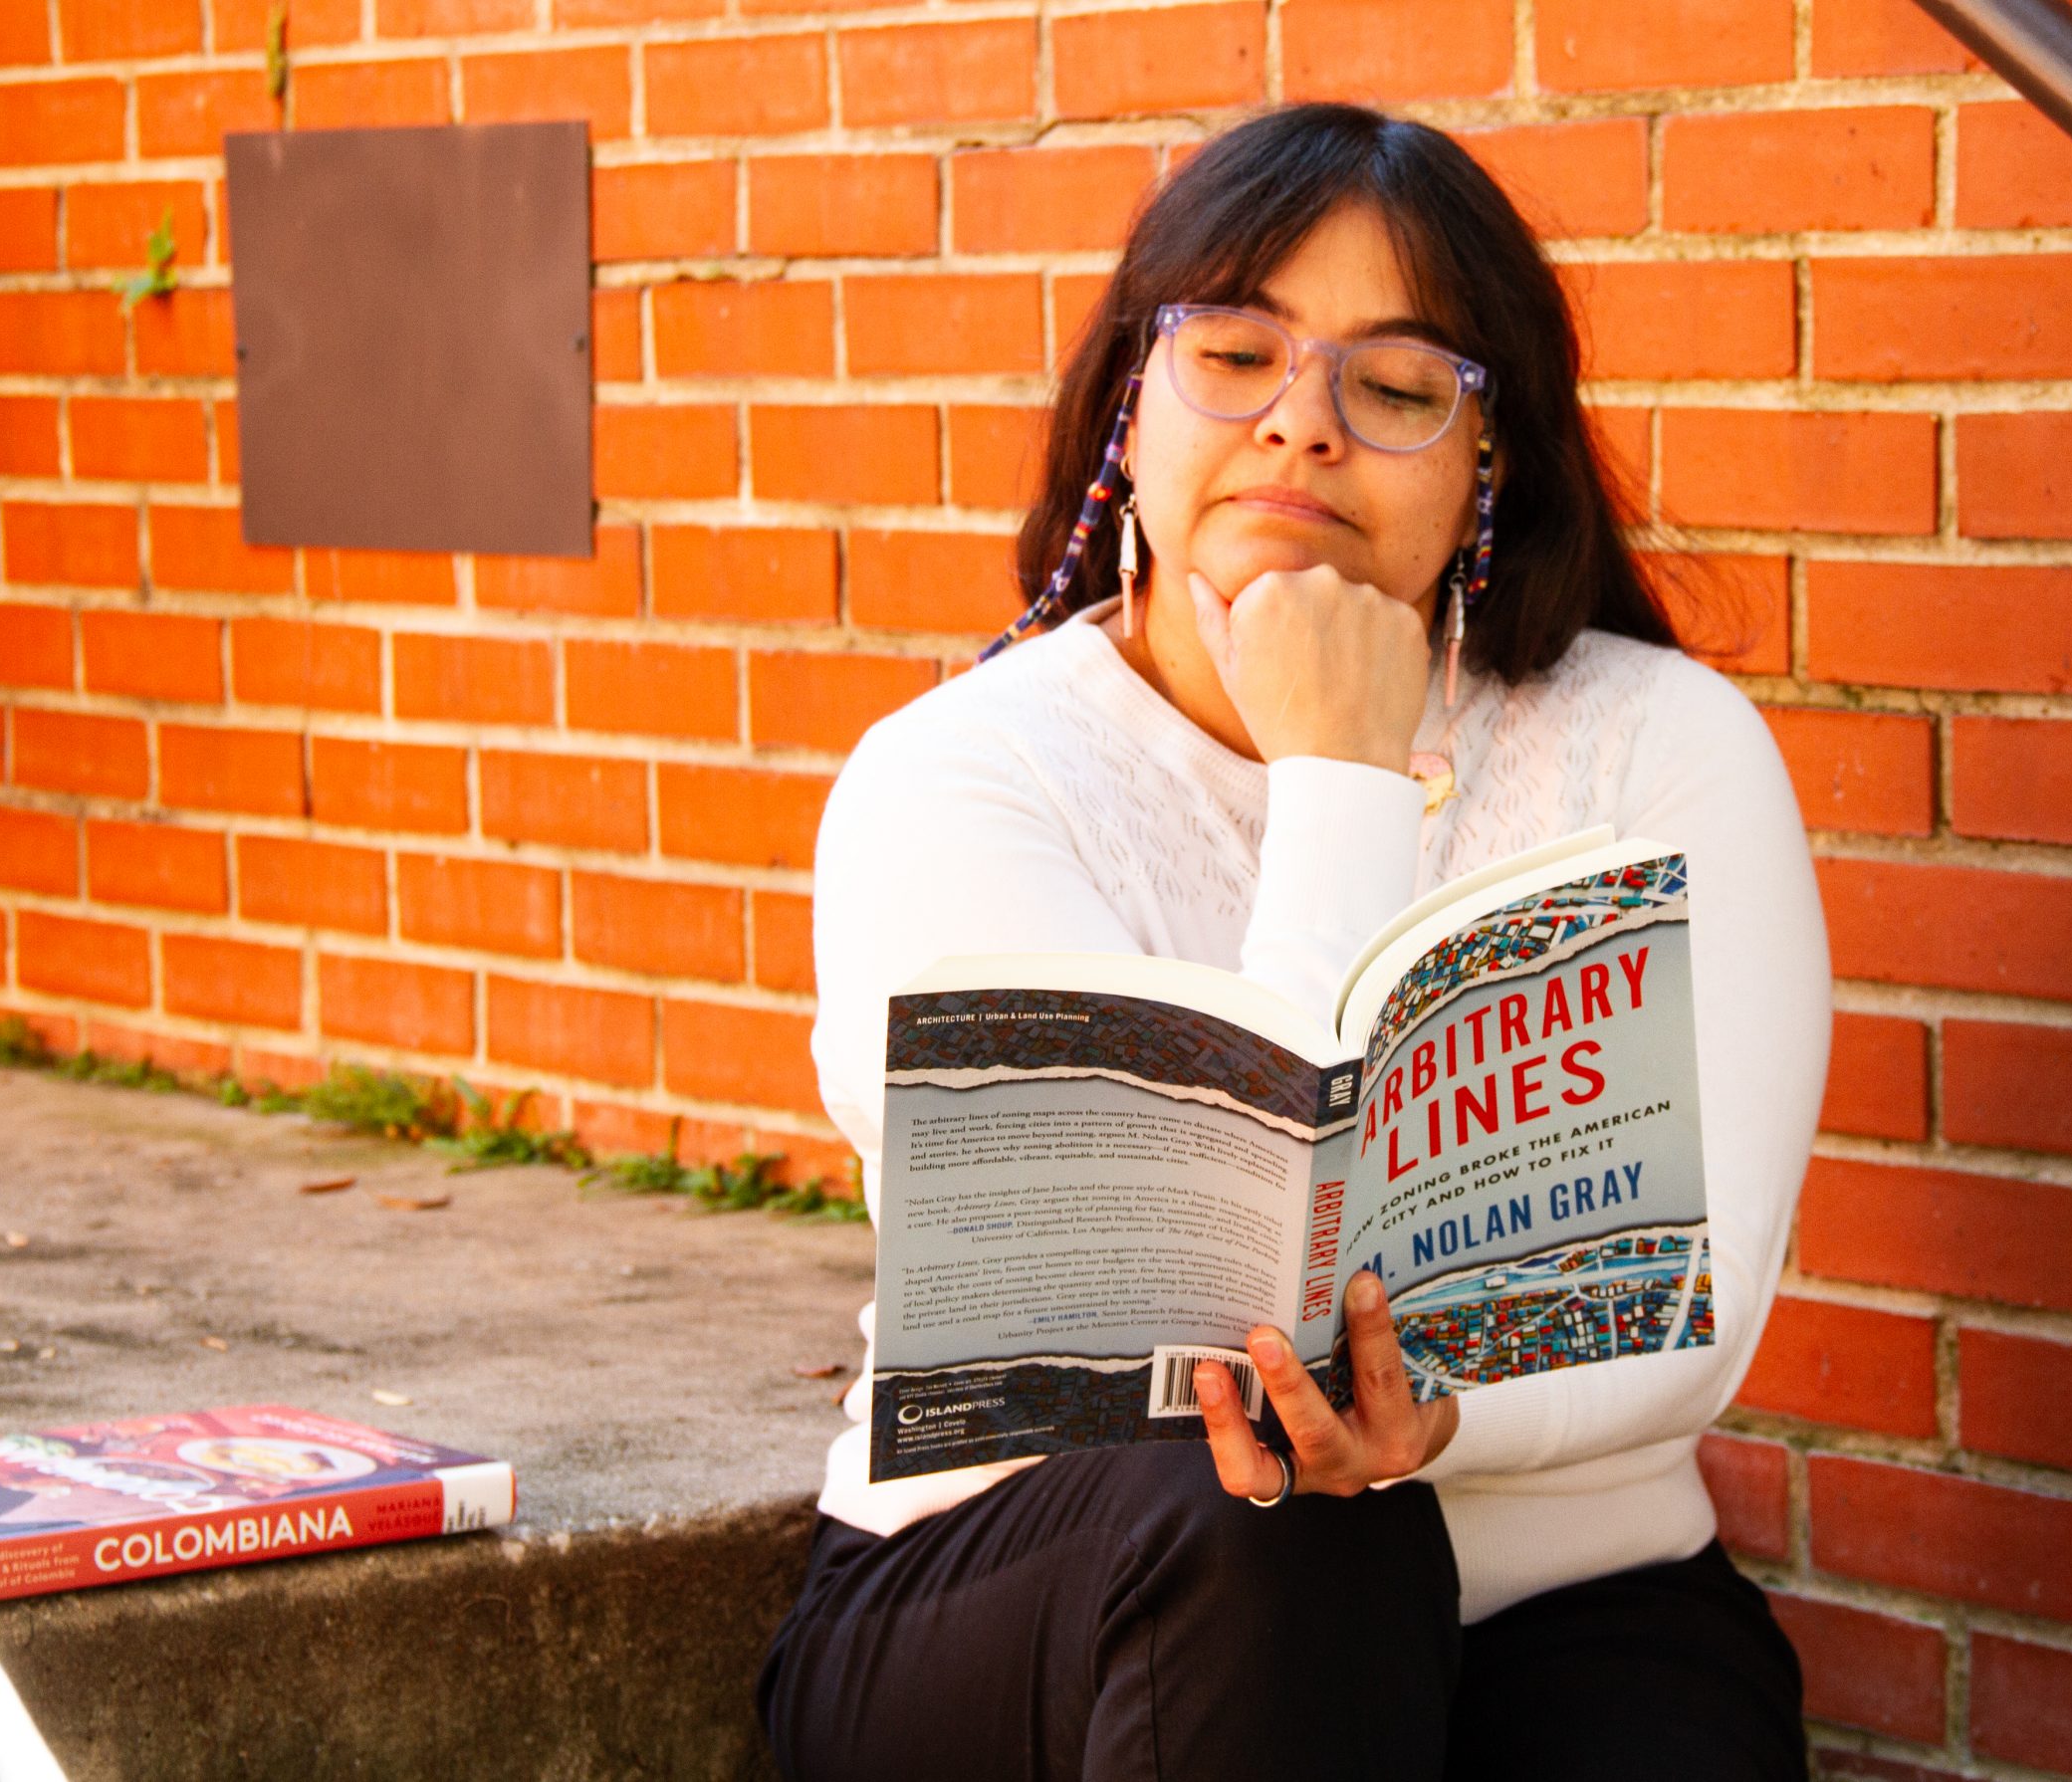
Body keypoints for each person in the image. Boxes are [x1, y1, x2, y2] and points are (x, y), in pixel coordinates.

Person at [757, 103, 1831, 1782]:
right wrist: (1341, 774)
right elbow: (1182, 1339)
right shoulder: (957, 778)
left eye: (1395, 389)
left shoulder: (1662, 750)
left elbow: (1693, 1311)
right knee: (1278, 1522)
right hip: (1068, 1587)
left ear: (1495, 457)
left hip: (1560, 1575)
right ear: (1135, 397)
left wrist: (1443, 1414)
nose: (1300, 428)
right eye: (1237, 355)